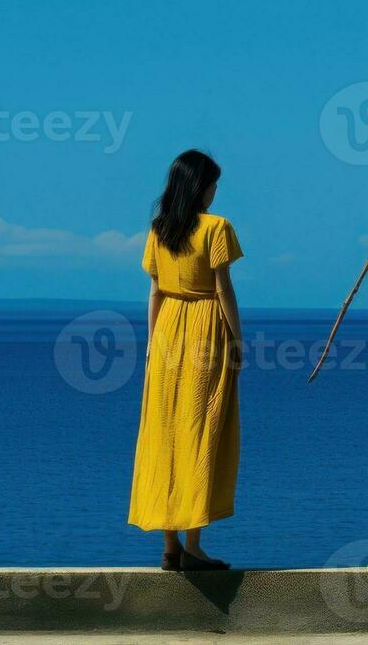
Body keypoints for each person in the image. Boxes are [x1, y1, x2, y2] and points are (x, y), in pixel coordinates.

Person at [127, 149, 243, 571]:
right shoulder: (217, 227)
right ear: (200, 186)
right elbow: (223, 289)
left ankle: (170, 546)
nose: (215, 191)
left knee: (166, 434)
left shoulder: (159, 230)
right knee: (202, 429)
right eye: (213, 183)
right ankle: (193, 546)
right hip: (205, 330)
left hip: (166, 334)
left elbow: (155, 292)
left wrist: (152, 344)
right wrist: (237, 338)